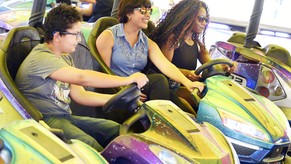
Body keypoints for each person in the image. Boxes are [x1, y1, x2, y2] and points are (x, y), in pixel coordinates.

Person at [15, 4, 148, 152]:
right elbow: (83, 77)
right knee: (89, 145)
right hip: (45, 120)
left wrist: (118, 98)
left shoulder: (64, 58)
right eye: (76, 34)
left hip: (65, 117)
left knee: (118, 131)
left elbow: (80, 94)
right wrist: (127, 79)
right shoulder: (41, 58)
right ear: (57, 35)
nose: (79, 39)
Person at [96, 0, 204, 113]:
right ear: (128, 13)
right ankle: (161, 126)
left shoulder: (146, 42)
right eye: (143, 11)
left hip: (138, 87)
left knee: (180, 107)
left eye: (150, 10)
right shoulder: (109, 36)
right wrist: (125, 91)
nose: (148, 15)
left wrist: (189, 83)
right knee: (158, 80)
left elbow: (166, 65)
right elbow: (104, 75)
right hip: (116, 91)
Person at [149, 0, 235, 108]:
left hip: (191, 87)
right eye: (201, 19)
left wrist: (223, 67)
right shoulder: (172, 39)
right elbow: (163, 69)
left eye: (206, 20)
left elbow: (210, 64)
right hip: (173, 88)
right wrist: (187, 73)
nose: (204, 23)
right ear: (188, 17)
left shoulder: (198, 44)